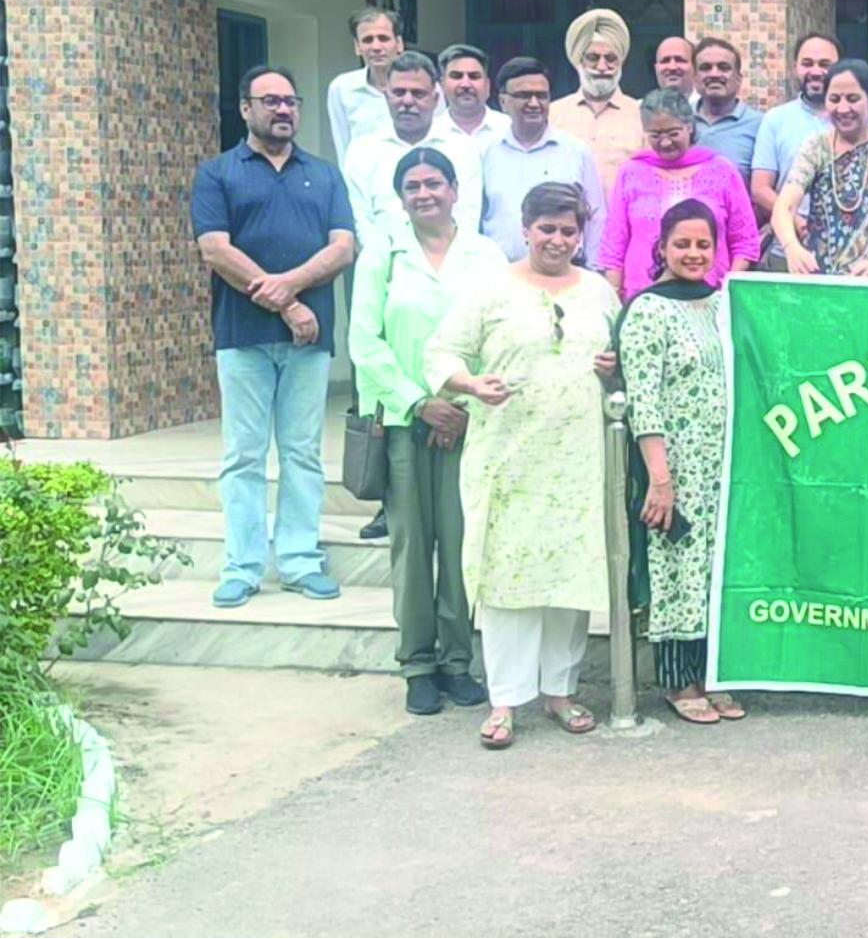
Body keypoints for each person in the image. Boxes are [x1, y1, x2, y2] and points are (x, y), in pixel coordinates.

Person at [424, 182, 621, 749]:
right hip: (509, 458)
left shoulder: (599, 292)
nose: (557, 240)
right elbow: (440, 352)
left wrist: (612, 364)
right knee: (509, 580)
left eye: (568, 230)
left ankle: (561, 692)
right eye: (547, 229)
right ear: (526, 229)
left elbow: (618, 359)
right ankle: (505, 701)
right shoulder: (491, 289)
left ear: (581, 234)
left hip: (577, 458)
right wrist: (468, 383)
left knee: (567, 579)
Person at [346, 147, 507, 714]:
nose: (424, 193)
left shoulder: (486, 255)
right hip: (403, 422)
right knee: (412, 546)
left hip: (470, 422)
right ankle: (417, 664)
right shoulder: (381, 256)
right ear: (400, 196)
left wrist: (459, 404)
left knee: (462, 545)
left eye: (433, 183)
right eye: (411, 186)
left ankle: (458, 662)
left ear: (455, 189)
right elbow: (364, 342)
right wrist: (420, 403)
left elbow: (497, 333)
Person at [191, 66, 354, 607]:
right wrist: (289, 305)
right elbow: (215, 250)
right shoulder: (219, 174)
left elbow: (342, 249)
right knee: (243, 455)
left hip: (310, 342)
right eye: (270, 101)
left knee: (303, 453)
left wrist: (289, 287)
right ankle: (242, 565)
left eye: (290, 101)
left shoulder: (324, 175)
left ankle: (301, 559)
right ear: (245, 109)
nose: (283, 110)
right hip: (242, 337)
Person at [618, 202, 746, 725]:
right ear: (662, 247)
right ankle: (677, 680)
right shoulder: (648, 310)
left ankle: (711, 674)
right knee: (677, 565)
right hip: (673, 467)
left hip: (724, 466)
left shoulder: (725, 305)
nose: (694, 254)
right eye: (683, 244)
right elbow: (643, 399)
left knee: (714, 570)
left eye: (703, 245)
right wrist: (660, 478)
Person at [770, 60, 868, 278]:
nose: (843, 108)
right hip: (820, 279)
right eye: (834, 99)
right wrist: (792, 247)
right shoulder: (816, 149)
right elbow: (784, 207)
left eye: (853, 99)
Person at [601, 89, 760, 298]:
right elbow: (614, 245)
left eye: (673, 133)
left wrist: (726, 292)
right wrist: (614, 297)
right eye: (655, 135)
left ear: (690, 127)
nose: (665, 142)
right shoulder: (631, 172)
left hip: (710, 296)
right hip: (643, 296)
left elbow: (745, 241)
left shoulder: (722, 170)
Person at [342, 51, 486, 250]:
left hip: (449, 267)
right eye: (399, 93)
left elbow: (467, 218)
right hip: (383, 267)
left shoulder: (462, 148)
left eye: (418, 94)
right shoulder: (362, 151)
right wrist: (385, 262)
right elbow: (361, 220)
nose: (407, 101)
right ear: (386, 96)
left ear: (436, 99)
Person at [480, 56, 607, 264]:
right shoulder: (486, 152)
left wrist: (593, 269)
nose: (534, 103)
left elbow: (596, 217)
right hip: (501, 274)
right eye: (523, 95)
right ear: (503, 102)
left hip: (565, 273)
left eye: (541, 96)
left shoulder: (575, 151)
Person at [749, 32, 840, 231]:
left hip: (844, 247)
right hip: (786, 244)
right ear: (794, 68)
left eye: (825, 64)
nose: (816, 71)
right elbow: (760, 189)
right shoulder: (776, 119)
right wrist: (794, 219)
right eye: (807, 63)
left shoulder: (852, 119)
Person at [550, 8, 641, 199]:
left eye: (611, 59)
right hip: (566, 225)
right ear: (579, 61)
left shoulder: (641, 114)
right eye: (593, 58)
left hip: (623, 225)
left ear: (621, 63)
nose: (602, 67)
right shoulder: (553, 114)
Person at [328, 7, 411, 164]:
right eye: (367, 40)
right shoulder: (342, 88)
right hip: (363, 184)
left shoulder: (424, 87)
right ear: (357, 47)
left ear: (399, 44)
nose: (376, 47)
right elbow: (343, 147)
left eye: (383, 38)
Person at [691, 36, 762, 182]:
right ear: (695, 79)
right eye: (705, 68)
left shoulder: (760, 125)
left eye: (724, 68)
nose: (714, 74)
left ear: (738, 79)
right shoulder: (680, 119)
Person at [433, 43, 512, 147]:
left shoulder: (511, 130)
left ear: (487, 85)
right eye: (456, 76)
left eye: (474, 76)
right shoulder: (429, 133)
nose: (465, 84)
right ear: (443, 85)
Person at [652, 35, 697, 99]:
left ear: (695, 67)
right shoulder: (640, 108)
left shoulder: (710, 106)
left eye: (680, 60)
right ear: (656, 69)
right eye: (665, 61)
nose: (672, 67)